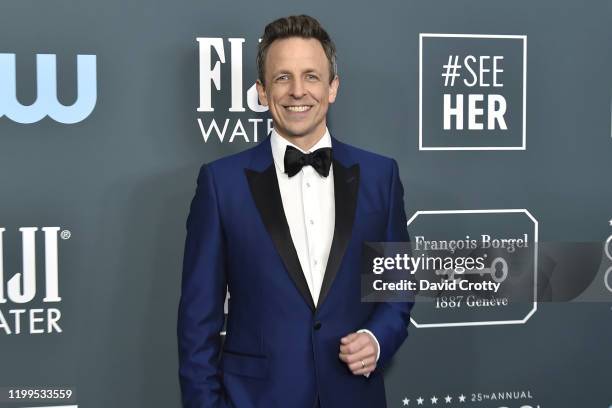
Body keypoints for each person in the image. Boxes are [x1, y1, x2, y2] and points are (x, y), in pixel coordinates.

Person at [178, 14, 413, 408]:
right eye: (282, 77)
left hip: (353, 395)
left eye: (311, 76)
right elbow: (197, 321)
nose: (297, 91)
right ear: (262, 91)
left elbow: (398, 284)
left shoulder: (380, 175)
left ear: (333, 87)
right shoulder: (221, 184)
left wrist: (377, 338)